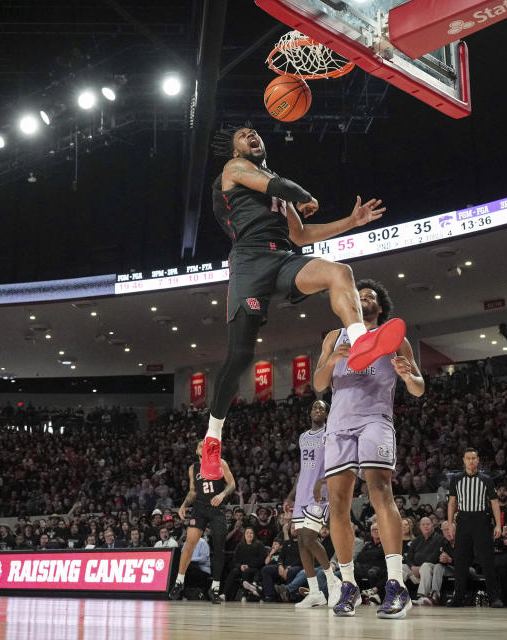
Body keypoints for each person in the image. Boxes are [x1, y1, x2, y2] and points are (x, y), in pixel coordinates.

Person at [201, 126, 403, 480]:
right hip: (250, 262)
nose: (252, 136)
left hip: (283, 259)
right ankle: (213, 436)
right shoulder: (235, 170)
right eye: (244, 134)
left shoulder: (276, 181)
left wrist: (351, 222)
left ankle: (360, 343)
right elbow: (282, 189)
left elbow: (301, 235)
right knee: (241, 356)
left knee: (340, 272)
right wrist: (305, 195)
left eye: (255, 133)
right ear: (235, 150)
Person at [313, 279, 425, 618]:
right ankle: (348, 585)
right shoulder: (334, 337)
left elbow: (419, 389)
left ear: (380, 306)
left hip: (375, 419)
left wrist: (408, 376)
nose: (364, 299)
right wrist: (332, 360)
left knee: (380, 492)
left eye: (370, 296)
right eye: (358, 296)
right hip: (338, 425)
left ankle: (396, 584)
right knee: (338, 504)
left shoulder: (396, 339)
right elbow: (318, 384)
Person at [283, 399, 339, 609]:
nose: (317, 410)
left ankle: (333, 583)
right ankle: (315, 592)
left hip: (320, 493)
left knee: (309, 536)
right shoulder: (303, 437)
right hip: (302, 494)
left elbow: (338, 464)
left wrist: (323, 482)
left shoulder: (330, 435)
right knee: (301, 541)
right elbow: (303, 469)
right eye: (314, 407)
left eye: (322, 408)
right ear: (310, 413)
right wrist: (291, 494)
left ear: (326, 415)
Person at [168, 440, 235, 604]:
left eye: (206, 445)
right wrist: (183, 504)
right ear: (196, 451)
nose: (203, 447)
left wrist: (222, 495)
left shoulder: (219, 463)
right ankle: (179, 583)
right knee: (189, 544)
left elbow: (232, 483)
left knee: (219, 547)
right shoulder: (193, 468)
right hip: (199, 509)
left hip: (216, 509)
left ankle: (215, 588)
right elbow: (193, 491)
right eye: (200, 445)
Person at [446, 449, 503, 607]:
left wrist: (498, 524)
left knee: (487, 560)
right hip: (463, 520)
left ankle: (494, 598)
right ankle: (458, 597)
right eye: (468, 458)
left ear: (478, 460)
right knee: (460, 561)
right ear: (464, 460)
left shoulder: (486, 479)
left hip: (481, 520)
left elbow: (494, 503)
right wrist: (450, 523)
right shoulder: (456, 479)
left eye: (473, 458)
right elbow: (452, 502)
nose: (471, 461)